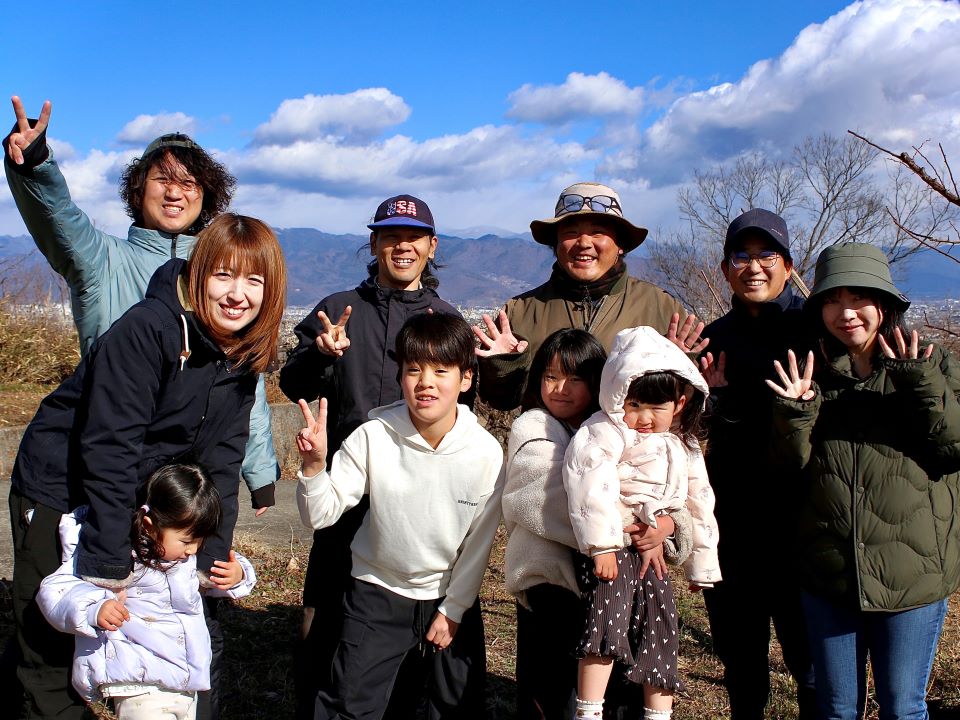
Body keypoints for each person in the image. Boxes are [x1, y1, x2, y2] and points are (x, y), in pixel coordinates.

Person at [8, 213, 286, 719]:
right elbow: (110, 448)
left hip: (129, 493)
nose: (237, 294)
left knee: (117, 628)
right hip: (59, 485)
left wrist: (211, 554)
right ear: (198, 273)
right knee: (53, 638)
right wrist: (109, 559)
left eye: (254, 280)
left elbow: (222, 461)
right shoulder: (150, 329)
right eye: (222, 274)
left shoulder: (240, 355)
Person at [2, 96, 279, 513]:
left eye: (189, 184)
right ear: (138, 187)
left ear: (206, 196)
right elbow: (57, 217)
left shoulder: (220, 280)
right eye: (162, 180)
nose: (175, 193)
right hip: (92, 467)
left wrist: (260, 472)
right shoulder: (101, 260)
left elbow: (241, 381)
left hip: (166, 487)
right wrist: (35, 163)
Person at [279, 194, 483, 718]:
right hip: (345, 487)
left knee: (422, 630)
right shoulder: (338, 306)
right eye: (390, 236)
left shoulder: (444, 317)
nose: (402, 246)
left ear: (431, 247)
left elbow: (466, 405)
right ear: (374, 243)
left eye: (413, 237)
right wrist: (320, 355)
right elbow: (292, 382)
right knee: (327, 621)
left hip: (418, 498)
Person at [767, 242, 960, 720]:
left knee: (903, 705)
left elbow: (953, 446)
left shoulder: (931, 365)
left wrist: (917, 382)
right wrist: (795, 412)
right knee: (836, 709)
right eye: (833, 299)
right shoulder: (814, 377)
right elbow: (791, 468)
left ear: (885, 305)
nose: (846, 312)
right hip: (829, 572)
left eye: (860, 298)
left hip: (909, 572)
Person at [294, 312, 504, 720]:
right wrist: (315, 467)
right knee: (351, 703)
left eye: (441, 370)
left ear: (465, 379)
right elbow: (320, 514)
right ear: (400, 376)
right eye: (413, 369)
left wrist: (454, 609)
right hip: (376, 591)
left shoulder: (485, 452)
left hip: (447, 594)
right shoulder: (374, 436)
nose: (425, 381)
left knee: (450, 705)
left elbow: (479, 544)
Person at [502, 329, 695, 720]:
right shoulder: (533, 428)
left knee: (614, 685)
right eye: (551, 376)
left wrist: (670, 527)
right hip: (551, 589)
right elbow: (548, 498)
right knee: (549, 695)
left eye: (576, 379)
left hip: (612, 585)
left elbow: (670, 492)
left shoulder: (619, 432)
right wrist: (642, 527)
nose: (560, 389)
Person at [563, 327, 719, 720]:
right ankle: (589, 709)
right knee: (606, 615)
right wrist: (602, 544)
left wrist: (702, 562)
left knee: (661, 621)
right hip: (615, 545)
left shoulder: (683, 442)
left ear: (680, 403)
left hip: (657, 551)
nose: (644, 418)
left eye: (657, 407)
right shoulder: (606, 429)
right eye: (633, 404)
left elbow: (699, 501)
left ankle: (658, 712)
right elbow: (588, 479)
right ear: (616, 397)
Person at [698, 209, 816, 719]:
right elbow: (687, 431)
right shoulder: (712, 338)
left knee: (811, 663)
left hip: (805, 526)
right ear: (726, 270)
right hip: (733, 525)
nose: (754, 267)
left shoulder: (814, 329)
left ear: (788, 265)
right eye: (740, 257)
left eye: (767, 255)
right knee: (741, 662)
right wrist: (710, 404)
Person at [36, 464, 256, 720]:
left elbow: (210, 581)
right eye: (186, 541)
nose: (193, 550)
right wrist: (94, 608)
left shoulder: (184, 558)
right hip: (139, 682)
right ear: (150, 526)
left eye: (200, 541)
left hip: (185, 680)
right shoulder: (117, 555)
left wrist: (238, 574)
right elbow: (57, 590)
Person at [475, 181, 704, 412]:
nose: (584, 243)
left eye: (598, 232)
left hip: (631, 445)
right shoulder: (520, 311)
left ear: (620, 244)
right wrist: (502, 368)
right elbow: (502, 401)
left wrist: (683, 369)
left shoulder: (661, 307)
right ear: (556, 243)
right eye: (571, 232)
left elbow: (685, 407)